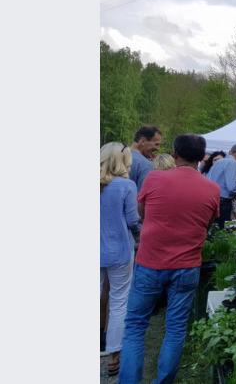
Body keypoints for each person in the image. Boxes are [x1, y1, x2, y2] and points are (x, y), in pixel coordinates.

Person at [119, 134, 220, 384]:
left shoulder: (155, 178)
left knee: (134, 326)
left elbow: (142, 213)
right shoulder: (212, 188)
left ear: (175, 153)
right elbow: (208, 223)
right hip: (187, 267)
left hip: (150, 262)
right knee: (175, 328)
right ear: (201, 157)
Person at [100, 142, 140, 376]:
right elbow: (133, 220)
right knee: (118, 301)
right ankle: (114, 354)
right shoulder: (126, 185)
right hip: (119, 249)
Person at [207, 144, 236, 228]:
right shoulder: (233, 162)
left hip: (211, 199)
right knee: (221, 229)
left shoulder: (219, 161)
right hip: (223, 202)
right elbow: (232, 187)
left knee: (211, 228)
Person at [129, 126, 162, 192]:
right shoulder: (145, 165)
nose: (158, 149)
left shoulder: (116, 156)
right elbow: (143, 196)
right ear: (143, 141)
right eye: (156, 144)